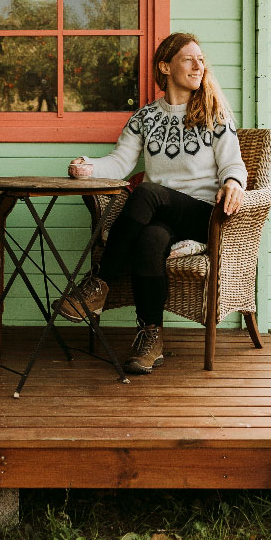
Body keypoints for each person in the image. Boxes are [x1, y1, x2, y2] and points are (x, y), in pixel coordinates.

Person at [59, 32, 246, 375]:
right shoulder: (145, 117)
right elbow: (118, 163)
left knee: (146, 192)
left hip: (201, 214)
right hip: (161, 217)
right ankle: (151, 339)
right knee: (151, 239)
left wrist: (233, 182)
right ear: (165, 66)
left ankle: (99, 283)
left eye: (201, 59)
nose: (198, 65)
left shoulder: (213, 113)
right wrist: (89, 167)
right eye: (188, 59)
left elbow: (233, 163)